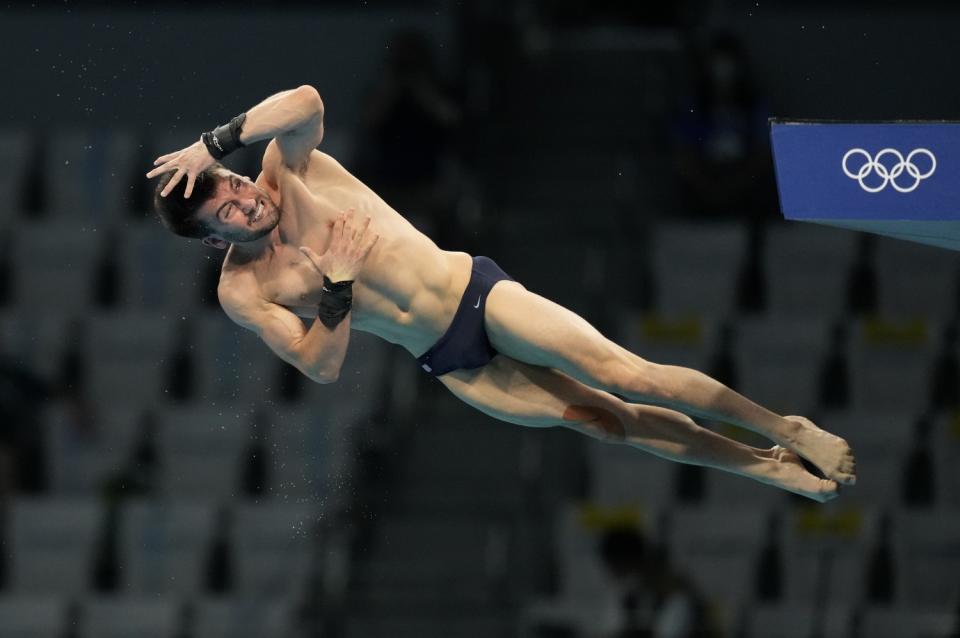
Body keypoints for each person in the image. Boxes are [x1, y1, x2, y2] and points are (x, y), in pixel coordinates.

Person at [146, 85, 855, 502]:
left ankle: (784, 429)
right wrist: (336, 284)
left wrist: (216, 143)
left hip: (477, 295)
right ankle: (769, 471)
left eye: (234, 185)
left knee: (625, 373)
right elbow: (321, 366)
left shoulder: (286, 167)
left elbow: (306, 100)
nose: (245, 202)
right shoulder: (244, 289)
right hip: (452, 361)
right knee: (611, 421)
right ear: (214, 240)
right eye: (228, 213)